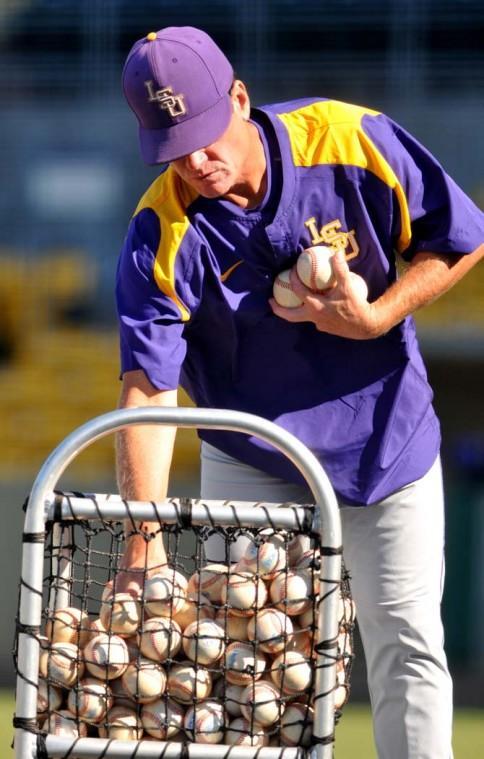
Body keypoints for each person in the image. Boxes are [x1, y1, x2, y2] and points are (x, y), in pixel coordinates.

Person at [115, 25, 484, 759]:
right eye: (172, 145)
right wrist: (140, 546)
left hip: (388, 444)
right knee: (251, 668)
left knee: (408, 645)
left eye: (204, 132)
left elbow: (462, 236)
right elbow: (147, 391)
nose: (195, 160)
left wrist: (375, 315)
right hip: (255, 460)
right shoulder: (162, 227)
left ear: (241, 99)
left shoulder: (350, 139)